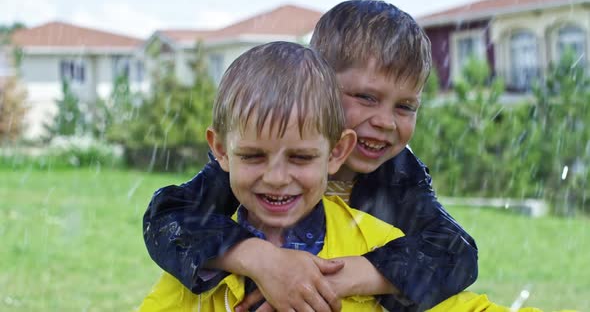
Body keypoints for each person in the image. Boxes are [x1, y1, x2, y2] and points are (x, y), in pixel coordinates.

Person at [139, 41, 544, 312]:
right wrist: (263, 261)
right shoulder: (248, 149)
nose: (383, 122)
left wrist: (335, 279)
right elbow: (167, 219)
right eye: (365, 97)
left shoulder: (396, 180)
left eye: (405, 106)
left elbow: (454, 255)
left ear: (338, 150)